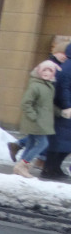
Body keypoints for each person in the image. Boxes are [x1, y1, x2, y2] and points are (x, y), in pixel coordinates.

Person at [10, 60, 59, 179]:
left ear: (53, 74)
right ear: (39, 71)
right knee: (43, 143)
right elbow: (26, 103)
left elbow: (48, 105)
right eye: (44, 70)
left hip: (40, 121)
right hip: (36, 121)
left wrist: (61, 112)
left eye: (50, 70)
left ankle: (20, 167)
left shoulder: (48, 86)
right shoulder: (36, 86)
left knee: (31, 143)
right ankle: (24, 164)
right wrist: (33, 116)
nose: (47, 73)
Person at [40, 43, 71, 182]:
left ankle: (54, 168)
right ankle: (49, 169)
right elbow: (63, 88)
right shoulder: (68, 67)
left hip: (65, 107)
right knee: (59, 141)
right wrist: (67, 106)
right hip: (65, 109)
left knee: (63, 141)